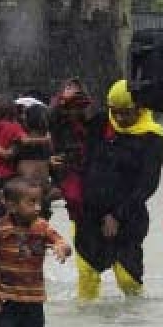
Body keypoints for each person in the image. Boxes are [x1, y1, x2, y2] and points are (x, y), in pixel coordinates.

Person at [74, 79, 163, 301]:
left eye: (127, 113)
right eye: (116, 112)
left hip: (128, 218)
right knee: (87, 274)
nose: (121, 118)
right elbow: (69, 131)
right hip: (88, 215)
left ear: (141, 109)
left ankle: (134, 325)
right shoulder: (100, 124)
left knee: (128, 280)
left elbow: (147, 185)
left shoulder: (151, 138)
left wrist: (117, 215)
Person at [0, 177, 71, 327]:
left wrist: (61, 248)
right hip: (4, 299)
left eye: (39, 202)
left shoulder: (41, 226)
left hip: (33, 299)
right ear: (11, 206)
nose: (38, 208)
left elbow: (62, 242)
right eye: (31, 203)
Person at [49, 79, 101, 225]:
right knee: (74, 197)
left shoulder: (91, 119)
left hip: (87, 164)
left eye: (78, 105)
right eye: (71, 106)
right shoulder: (56, 119)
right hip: (66, 166)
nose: (74, 110)